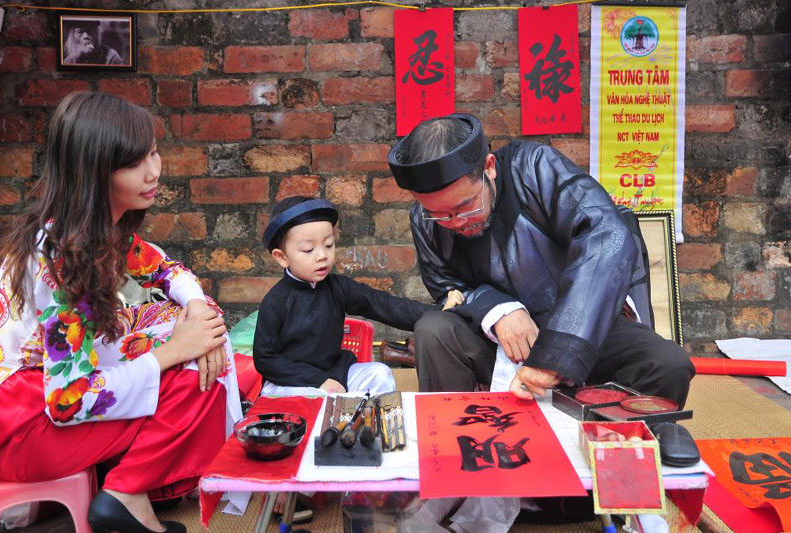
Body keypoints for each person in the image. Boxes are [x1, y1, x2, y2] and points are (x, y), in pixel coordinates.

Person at [0, 92, 241, 533]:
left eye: (154, 152)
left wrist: (199, 312)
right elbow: (66, 402)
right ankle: (126, 491)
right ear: (94, 172)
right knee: (194, 377)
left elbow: (166, 270)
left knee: (199, 340)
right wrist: (175, 351)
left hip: (33, 405)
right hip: (19, 426)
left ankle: (129, 487)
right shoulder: (61, 263)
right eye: (134, 162)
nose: (154, 170)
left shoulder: (90, 232)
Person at [387, 113, 694, 406]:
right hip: (498, 341)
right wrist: (499, 309)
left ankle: (610, 449)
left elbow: (606, 236)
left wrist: (556, 355)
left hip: (577, 323)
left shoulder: (534, 168)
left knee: (667, 364)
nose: (454, 222)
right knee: (433, 328)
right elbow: (447, 289)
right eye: (439, 214)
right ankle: (456, 441)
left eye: (465, 206)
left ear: (489, 167)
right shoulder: (425, 219)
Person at [253, 196, 463, 397]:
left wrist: (437, 313)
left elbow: (383, 304)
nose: (322, 255)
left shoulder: (338, 287)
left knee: (379, 373)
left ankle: (368, 430)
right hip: (292, 383)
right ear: (281, 257)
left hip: (336, 374)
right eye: (308, 249)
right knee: (315, 395)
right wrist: (317, 381)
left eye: (328, 245)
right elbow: (266, 360)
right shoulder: (276, 301)